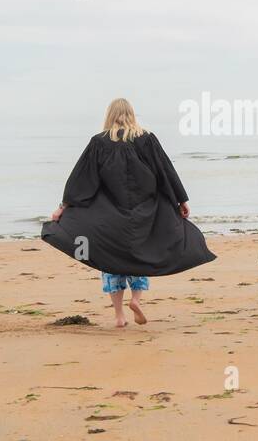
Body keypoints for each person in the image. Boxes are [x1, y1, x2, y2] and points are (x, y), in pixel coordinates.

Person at [41, 98, 216, 328]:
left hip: (110, 215)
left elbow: (82, 180)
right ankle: (136, 300)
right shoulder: (147, 139)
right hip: (146, 214)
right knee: (143, 255)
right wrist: (180, 199)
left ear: (109, 115)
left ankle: (119, 315)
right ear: (132, 114)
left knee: (110, 260)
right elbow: (165, 171)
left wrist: (63, 208)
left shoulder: (99, 143)